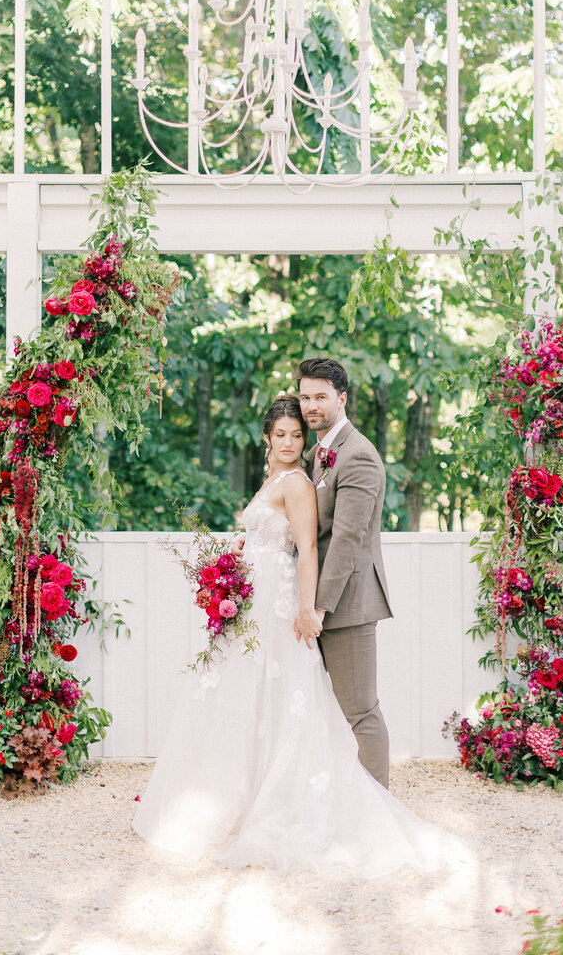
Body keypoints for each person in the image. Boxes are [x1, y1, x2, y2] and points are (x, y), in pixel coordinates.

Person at [132, 393, 471, 878]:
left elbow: (321, 545)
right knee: (254, 700)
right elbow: (271, 535)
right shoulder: (297, 467)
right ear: (267, 439)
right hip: (258, 603)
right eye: (282, 433)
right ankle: (244, 797)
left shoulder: (326, 469)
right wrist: (230, 567)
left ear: (341, 398)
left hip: (302, 600)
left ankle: (373, 809)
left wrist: (311, 608)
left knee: (348, 708)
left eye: (298, 430)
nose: (291, 440)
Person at [295, 356, 392, 787]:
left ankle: (381, 815)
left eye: (320, 396)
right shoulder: (315, 453)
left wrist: (317, 608)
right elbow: (310, 526)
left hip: (346, 605)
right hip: (317, 605)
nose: (311, 405)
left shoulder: (358, 456)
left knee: (361, 711)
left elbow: (347, 542)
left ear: (342, 398)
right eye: (305, 396)